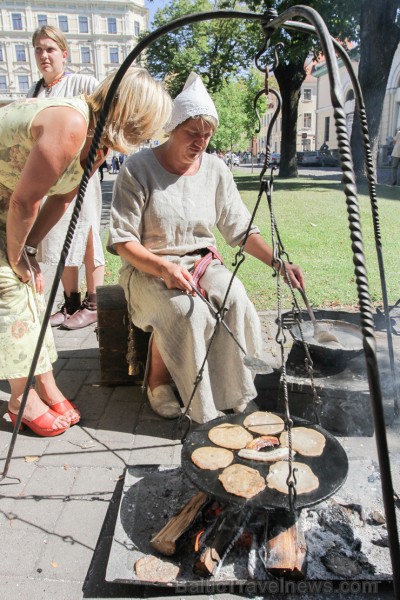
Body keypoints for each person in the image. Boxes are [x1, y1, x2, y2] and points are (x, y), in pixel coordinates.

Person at [108, 72, 304, 424]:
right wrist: (164, 268)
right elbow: (123, 240)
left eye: (208, 133)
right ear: (172, 128)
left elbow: (239, 227)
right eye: (192, 133)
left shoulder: (215, 169)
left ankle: (232, 391)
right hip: (149, 268)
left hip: (201, 264)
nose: (201, 141)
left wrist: (278, 263)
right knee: (188, 312)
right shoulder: (137, 169)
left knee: (237, 300)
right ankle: (158, 383)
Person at [0, 66, 172, 436]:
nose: (147, 137)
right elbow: (26, 202)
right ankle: (19, 400)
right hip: (9, 199)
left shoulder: (98, 142)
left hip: (6, 197)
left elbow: (63, 197)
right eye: (147, 126)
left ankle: (44, 383)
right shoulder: (71, 124)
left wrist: (29, 247)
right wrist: (16, 259)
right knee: (9, 289)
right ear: (132, 115)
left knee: (32, 288)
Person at [27, 26, 104, 329]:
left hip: (82, 173)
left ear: (63, 53)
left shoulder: (82, 82)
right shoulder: (35, 91)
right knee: (60, 237)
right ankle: (71, 301)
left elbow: (105, 115)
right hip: (52, 179)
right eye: (38, 49)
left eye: (50, 49)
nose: (44, 55)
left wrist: (93, 155)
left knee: (86, 235)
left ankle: (94, 302)